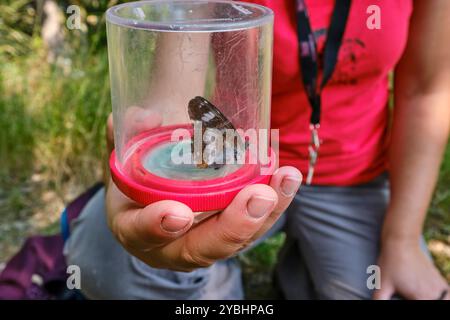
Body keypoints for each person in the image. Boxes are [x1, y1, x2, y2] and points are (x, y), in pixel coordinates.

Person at [65, 0, 450, 299]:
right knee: (111, 265)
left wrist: (402, 238)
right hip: (242, 170)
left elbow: (427, 92)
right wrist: (158, 184)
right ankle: (222, 283)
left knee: (386, 287)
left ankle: (300, 270)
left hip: (352, 176)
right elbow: (175, 101)